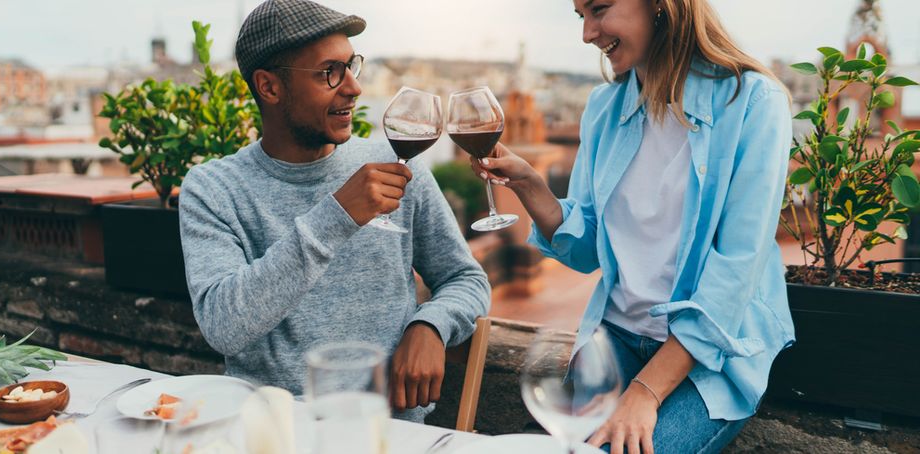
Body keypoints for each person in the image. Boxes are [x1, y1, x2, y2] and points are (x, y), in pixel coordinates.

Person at [472, 0, 795, 452]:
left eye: (599, 9)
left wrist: (644, 392)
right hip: (615, 338)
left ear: (661, 6)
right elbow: (586, 251)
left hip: (708, 359)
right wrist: (530, 185)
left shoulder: (754, 103)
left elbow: (735, 272)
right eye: (580, 16)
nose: (587, 33)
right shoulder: (605, 106)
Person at [178, 0, 490, 423]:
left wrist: (431, 325)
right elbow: (223, 326)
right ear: (269, 87)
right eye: (330, 72)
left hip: (390, 435)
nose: (354, 88)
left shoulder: (397, 165)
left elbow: (465, 278)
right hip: (275, 436)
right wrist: (337, 216)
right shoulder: (215, 188)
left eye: (351, 65)